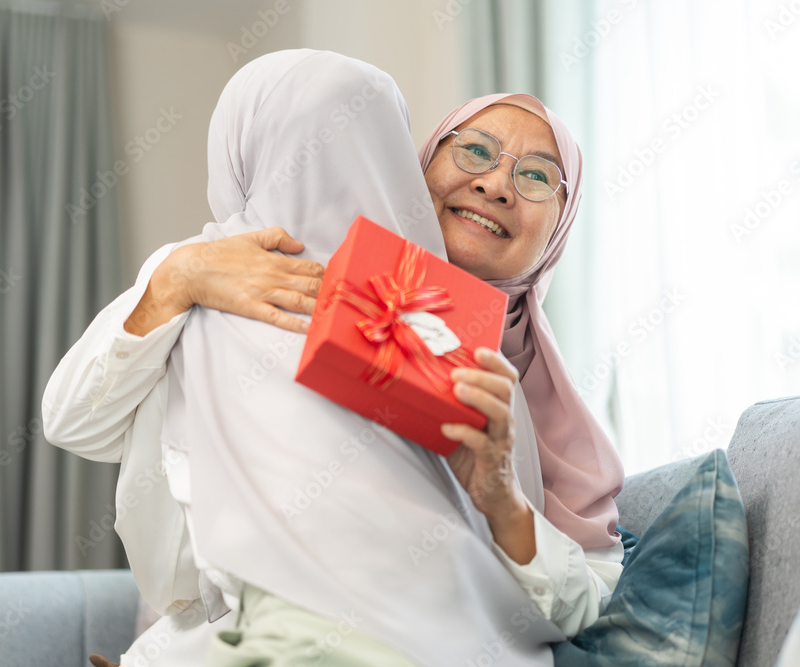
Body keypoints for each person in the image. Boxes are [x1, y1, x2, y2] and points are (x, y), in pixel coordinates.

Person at [43, 49, 623, 666]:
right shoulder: (208, 273)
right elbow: (77, 424)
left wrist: (503, 501)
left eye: (537, 175)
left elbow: (588, 610)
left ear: (561, 229)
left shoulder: (539, 405)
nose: (495, 184)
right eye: (474, 151)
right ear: (413, 172)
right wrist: (173, 281)